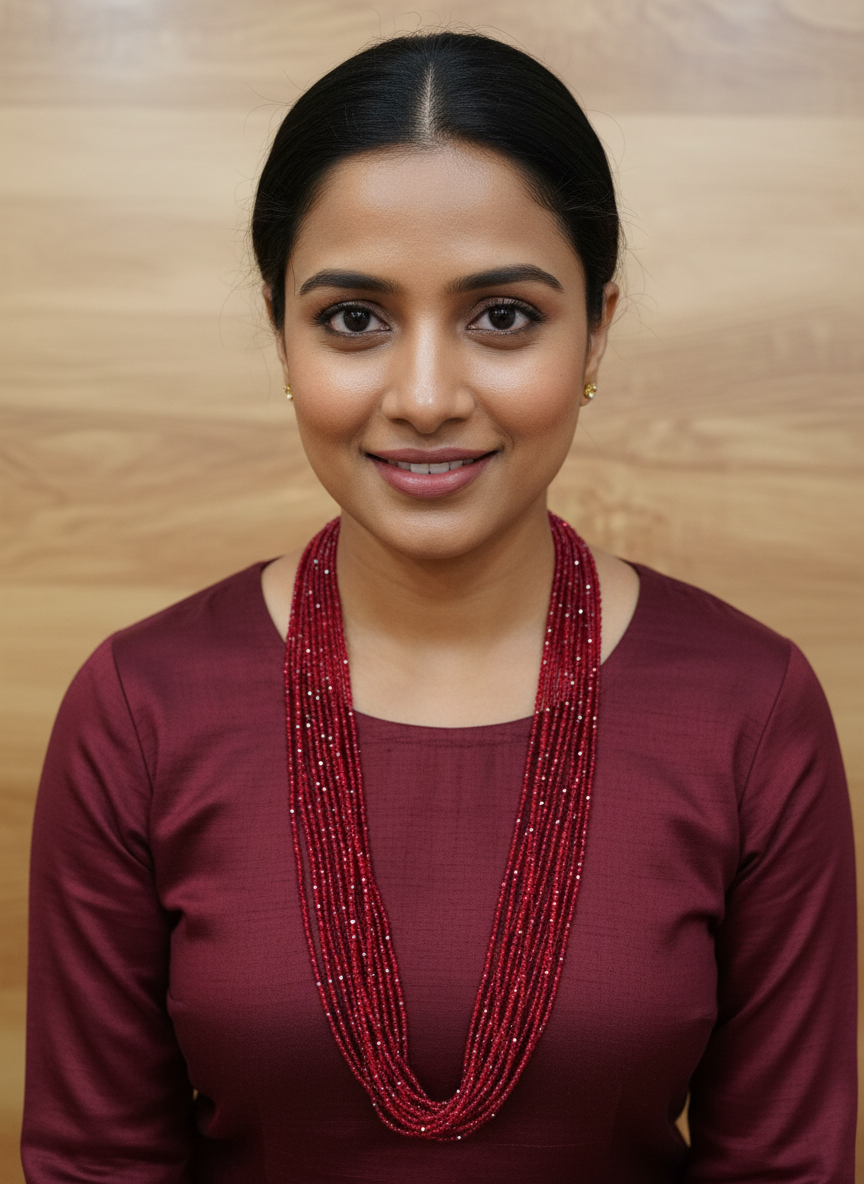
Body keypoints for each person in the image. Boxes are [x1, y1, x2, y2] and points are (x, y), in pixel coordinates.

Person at [23, 30, 856, 1183]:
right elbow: (94, 1164)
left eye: (502, 315)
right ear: (280, 333)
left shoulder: (751, 711)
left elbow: (785, 1166)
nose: (424, 397)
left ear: (598, 327)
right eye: (354, 318)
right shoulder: (139, 711)